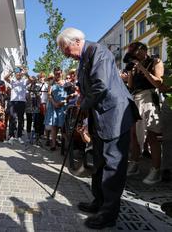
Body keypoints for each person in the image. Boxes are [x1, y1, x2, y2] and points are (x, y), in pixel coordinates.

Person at [57, 27, 139, 229]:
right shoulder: (83, 59)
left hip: (115, 114)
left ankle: (108, 213)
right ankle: (99, 202)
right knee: (99, 161)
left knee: (113, 165)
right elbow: (86, 89)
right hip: (100, 115)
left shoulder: (98, 51)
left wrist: (83, 105)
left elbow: (100, 84)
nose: (65, 54)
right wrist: (80, 101)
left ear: (76, 41)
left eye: (66, 49)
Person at [125, 42, 163, 185]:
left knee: (152, 135)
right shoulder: (135, 66)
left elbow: (158, 83)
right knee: (133, 134)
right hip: (136, 98)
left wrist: (142, 69)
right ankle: (134, 163)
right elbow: (130, 86)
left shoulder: (155, 61)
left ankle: (155, 170)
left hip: (149, 98)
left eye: (134, 52)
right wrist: (131, 72)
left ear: (143, 50)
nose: (133, 56)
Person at [4, 67, 31, 145]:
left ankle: (19, 136)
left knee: (20, 120)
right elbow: (5, 78)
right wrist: (12, 71)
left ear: (21, 74)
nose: (18, 74)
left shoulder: (24, 81)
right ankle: (11, 136)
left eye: (19, 73)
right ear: (15, 74)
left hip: (22, 102)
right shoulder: (13, 81)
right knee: (12, 119)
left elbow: (32, 80)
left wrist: (26, 73)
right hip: (13, 102)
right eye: (17, 73)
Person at [44, 67, 67, 151]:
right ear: (54, 74)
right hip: (53, 105)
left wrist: (63, 102)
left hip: (63, 106)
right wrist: (54, 103)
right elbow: (49, 95)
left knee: (62, 126)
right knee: (54, 125)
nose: (57, 75)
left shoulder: (65, 83)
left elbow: (69, 94)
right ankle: (53, 144)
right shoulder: (51, 83)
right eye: (56, 73)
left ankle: (64, 144)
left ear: (61, 73)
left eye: (59, 73)